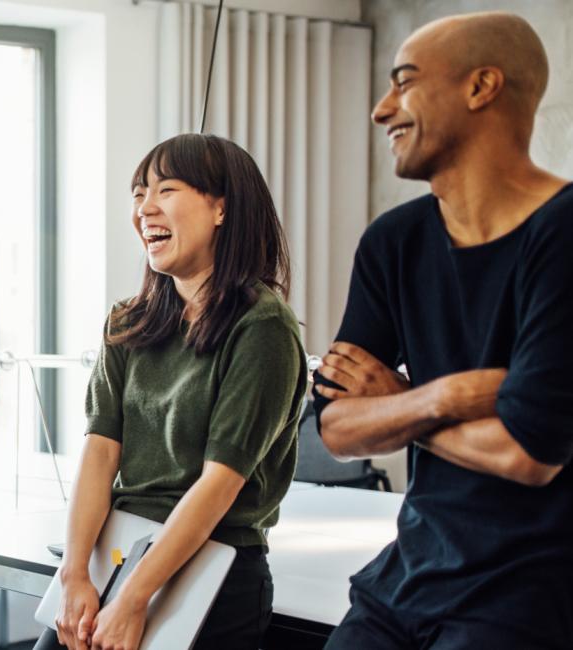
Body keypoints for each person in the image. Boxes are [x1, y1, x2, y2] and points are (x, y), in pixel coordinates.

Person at [313, 11, 573, 650]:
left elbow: (529, 453)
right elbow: (337, 428)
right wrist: (443, 396)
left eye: (403, 82)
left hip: (526, 598)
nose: (381, 110)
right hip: (405, 581)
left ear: (481, 87)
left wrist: (395, 402)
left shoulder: (563, 232)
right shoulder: (392, 242)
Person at [34, 133, 307, 650]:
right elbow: (99, 452)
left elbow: (217, 487)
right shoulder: (127, 321)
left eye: (167, 189)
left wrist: (134, 600)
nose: (145, 208)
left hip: (210, 566)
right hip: (118, 551)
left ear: (221, 208)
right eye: (139, 193)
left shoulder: (263, 327)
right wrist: (73, 574)